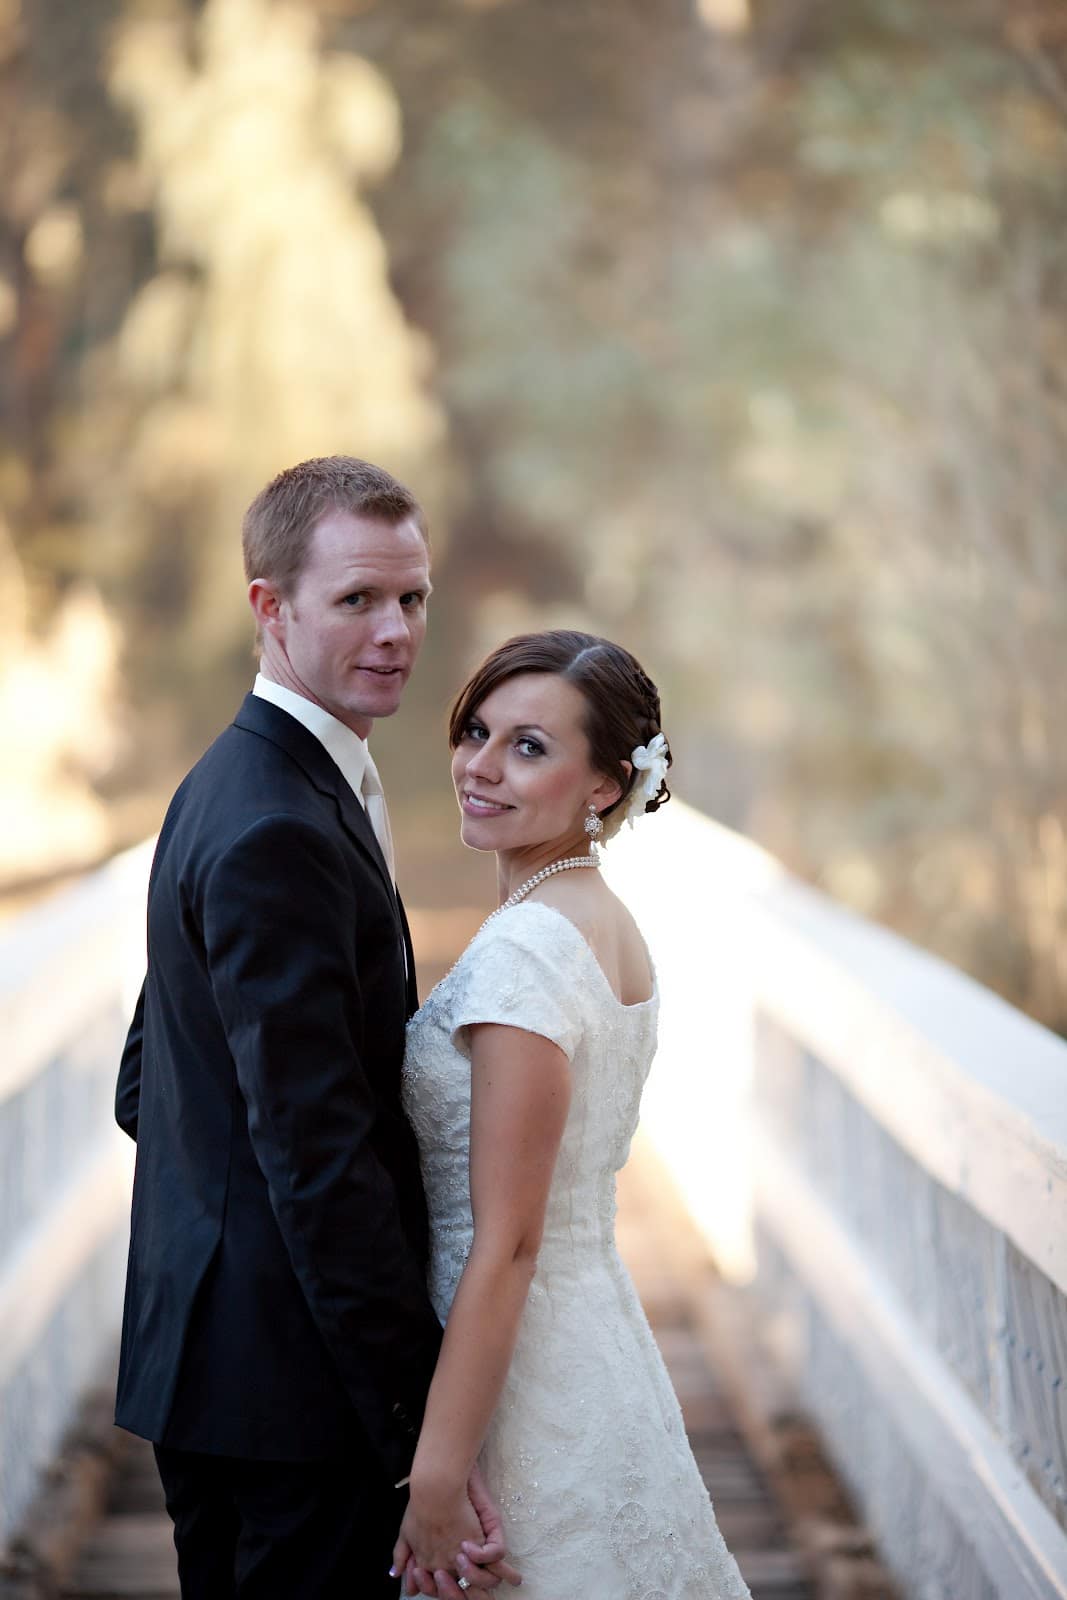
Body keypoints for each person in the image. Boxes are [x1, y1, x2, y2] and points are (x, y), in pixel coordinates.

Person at [114, 456, 516, 1600]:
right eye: (356, 600)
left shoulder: (233, 781)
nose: (397, 630)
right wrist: (415, 1426)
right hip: (289, 1400)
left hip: (226, 1369)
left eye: (412, 597)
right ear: (267, 606)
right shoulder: (272, 828)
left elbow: (147, 1084)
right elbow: (316, 1157)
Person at [394, 630, 753, 1599]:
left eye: (528, 747)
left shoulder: (528, 954)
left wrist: (436, 1470)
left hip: (516, 1382)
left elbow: (507, 1242)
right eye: (477, 730)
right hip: (591, 1332)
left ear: (603, 785)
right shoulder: (606, 921)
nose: (479, 765)